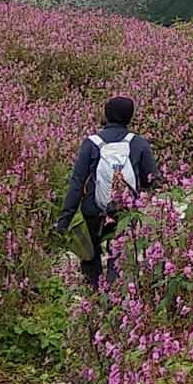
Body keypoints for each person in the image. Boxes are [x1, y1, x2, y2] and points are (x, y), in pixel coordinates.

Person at [55, 95, 158, 289]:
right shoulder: (139, 143)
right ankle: (113, 293)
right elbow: (151, 179)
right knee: (117, 254)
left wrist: (64, 220)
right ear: (130, 116)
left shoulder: (91, 143)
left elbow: (76, 183)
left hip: (93, 210)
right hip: (124, 212)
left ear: (107, 114)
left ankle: (94, 293)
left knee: (89, 254)